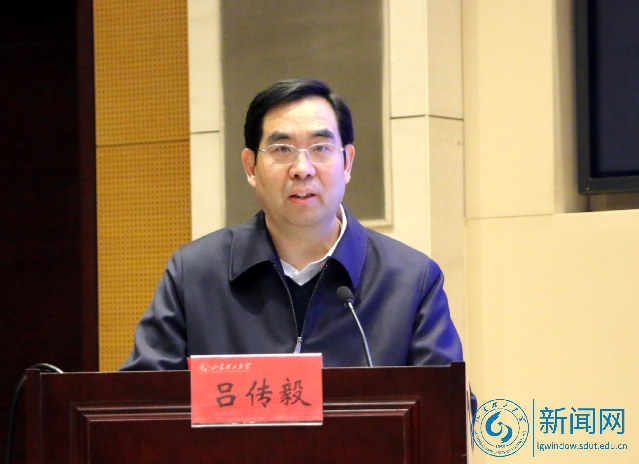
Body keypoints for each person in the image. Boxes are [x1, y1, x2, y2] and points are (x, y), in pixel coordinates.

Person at [120, 78, 465, 372]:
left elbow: (448, 412)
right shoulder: (195, 275)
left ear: (347, 163)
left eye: (320, 148)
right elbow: (139, 405)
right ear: (251, 167)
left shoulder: (410, 281)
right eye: (282, 149)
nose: (302, 168)